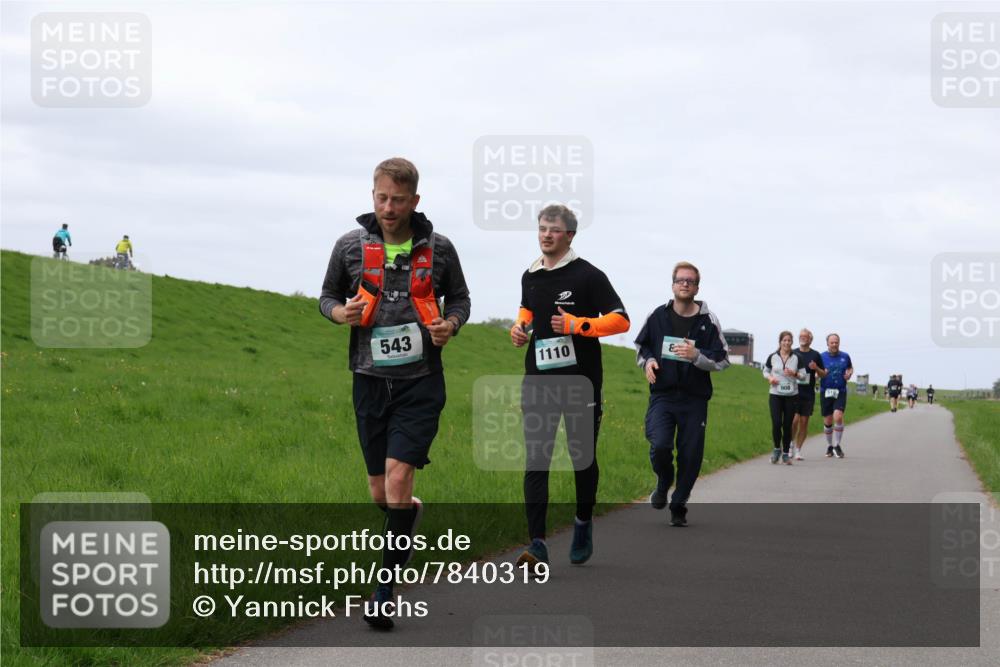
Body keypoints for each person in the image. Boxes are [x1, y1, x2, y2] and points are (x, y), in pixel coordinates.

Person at [319, 158, 471, 629]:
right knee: (381, 492)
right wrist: (337, 313)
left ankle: (384, 592)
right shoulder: (349, 246)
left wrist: (451, 324)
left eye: (398, 200)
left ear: (415, 201)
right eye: (381, 197)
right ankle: (408, 516)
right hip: (368, 379)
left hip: (421, 382)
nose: (388, 207)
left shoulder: (440, 249)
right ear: (373, 196)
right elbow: (326, 296)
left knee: (400, 478)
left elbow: (461, 300)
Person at [510, 204, 629, 570]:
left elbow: (621, 320)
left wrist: (580, 326)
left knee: (582, 460)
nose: (546, 234)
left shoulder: (588, 276)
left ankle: (582, 522)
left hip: (581, 384)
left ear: (570, 235)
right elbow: (527, 312)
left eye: (554, 230)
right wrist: (519, 329)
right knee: (537, 461)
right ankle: (538, 543)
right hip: (539, 382)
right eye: (542, 228)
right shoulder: (529, 275)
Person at [634, 261, 729, 526]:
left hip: (694, 399)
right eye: (680, 280)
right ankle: (664, 480)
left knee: (690, 454)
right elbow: (642, 347)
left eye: (690, 281)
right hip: (663, 396)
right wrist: (649, 362)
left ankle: (679, 504)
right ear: (673, 284)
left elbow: (722, 359)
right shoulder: (658, 316)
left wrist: (697, 356)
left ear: (697, 287)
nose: (685, 284)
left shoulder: (708, 321)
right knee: (660, 444)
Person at [763, 331, 802, 465]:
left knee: (787, 425)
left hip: (791, 395)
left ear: (792, 343)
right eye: (784, 340)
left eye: (789, 340)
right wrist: (770, 378)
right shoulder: (773, 357)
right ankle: (776, 449)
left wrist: (795, 373)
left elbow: (804, 376)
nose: (786, 343)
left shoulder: (796, 358)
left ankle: (785, 453)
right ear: (780, 342)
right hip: (775, 394)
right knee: (776, 422)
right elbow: (765, 370)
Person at [791, 328, 826, 460]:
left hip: (808, 393)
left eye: (805, 337)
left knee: (804, 422)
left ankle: (798, 450)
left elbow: (823, 374)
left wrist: (816, 368)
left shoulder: (816, 355)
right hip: (793, 392)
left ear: (810, 339)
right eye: (801, 336)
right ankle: (790, 445)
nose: (803, 338)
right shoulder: (793, 353)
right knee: (794, 421)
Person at [819, 334, 853, 458]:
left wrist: (849, 374)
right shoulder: (821, 357)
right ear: (827, 343)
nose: (834, 345)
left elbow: (850, 368)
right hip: (825, 391)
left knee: (838, 417)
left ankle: (837, 445)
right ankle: (830, 446)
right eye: (832, 342)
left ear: (839, 343)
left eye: (836, 342)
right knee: (828, 420)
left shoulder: (845, 356)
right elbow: (817, 372)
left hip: (840, 391)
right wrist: (818, 375)